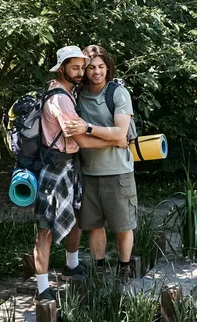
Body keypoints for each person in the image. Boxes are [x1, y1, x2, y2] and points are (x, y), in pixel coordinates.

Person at [34, 45, 127, 301]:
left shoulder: (68, 91)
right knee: (46, 228)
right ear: (62, 67)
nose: (81, 72)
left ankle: (71, 266)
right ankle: (42, 289)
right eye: (75, 67)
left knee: (74, 215)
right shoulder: (61, 99)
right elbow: (83, 141)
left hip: (69, 164)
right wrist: (116, 141)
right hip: (56, 167)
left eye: (81, 67)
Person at [63, 45, 137, 283]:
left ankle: (125, 268)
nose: (97, 72)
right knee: (94, 225)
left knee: (122, 225)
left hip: (118, 171)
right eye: (91, 67)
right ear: (84, 70)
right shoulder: (78, 94)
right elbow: (109, 138)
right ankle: (100, 269)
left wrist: (89, 129)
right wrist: (110, 137)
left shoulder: (117, 93)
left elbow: (121, 133)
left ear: (108, 67)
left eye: (101, 67)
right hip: (88, 172)